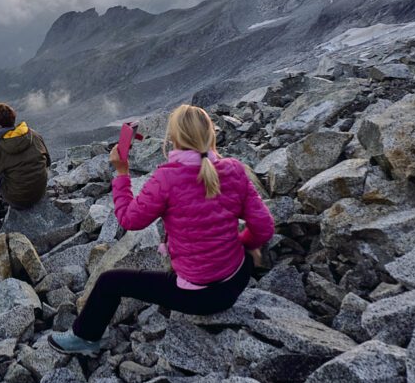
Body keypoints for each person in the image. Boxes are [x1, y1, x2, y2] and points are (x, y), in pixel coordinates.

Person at [48, 104, 275, 355]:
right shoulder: (233, 169)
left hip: (201, 298)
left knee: (109, 281)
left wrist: (122, 174)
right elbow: (264, 228)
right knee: (229, 242)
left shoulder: (167, 178)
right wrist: (244, 246)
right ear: (211, 135)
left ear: (174, 139)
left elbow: (129, 220)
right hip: (236, 279)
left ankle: (85, 337)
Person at [0, 103, 49, 225]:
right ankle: (3, 202)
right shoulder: (33, 134)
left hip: (18, 200)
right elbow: (48, 161)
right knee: (6, 168)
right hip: (39, 193)